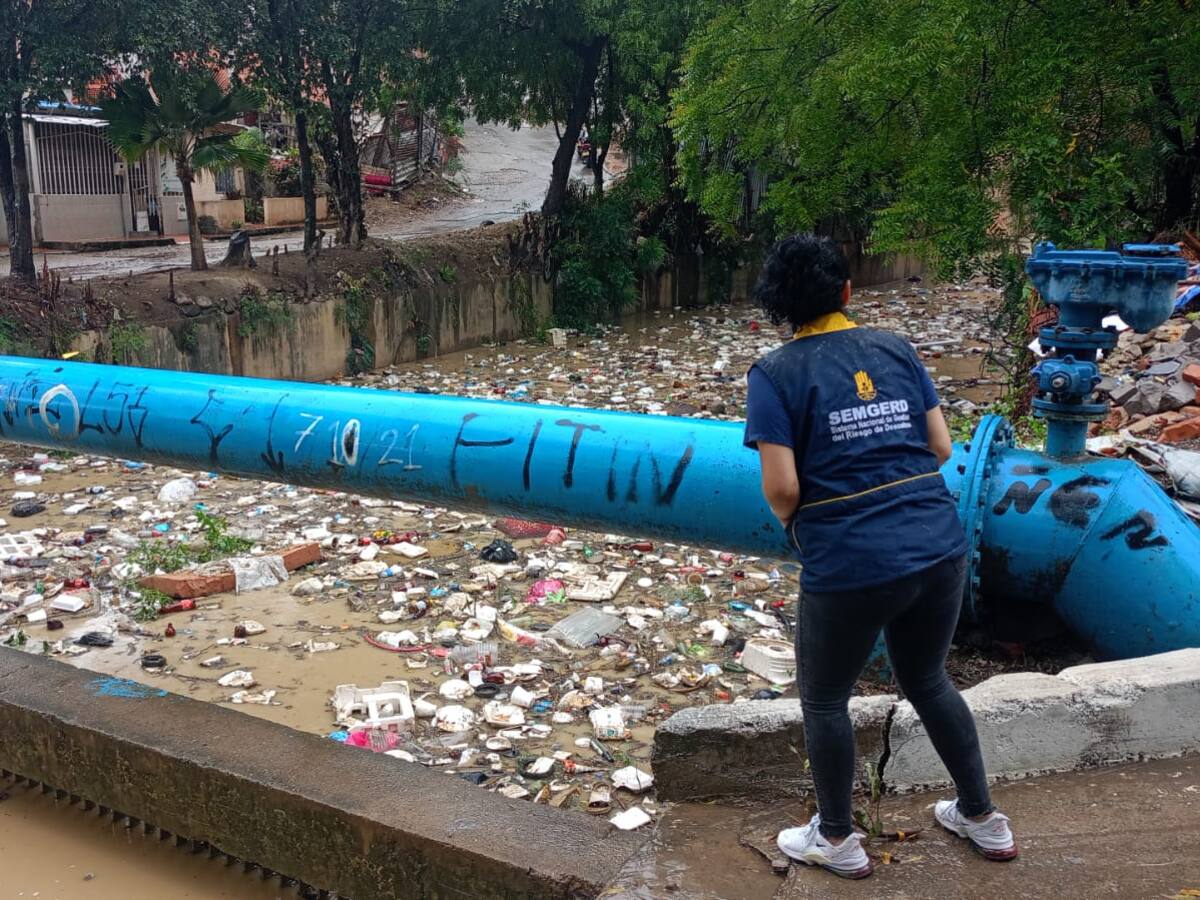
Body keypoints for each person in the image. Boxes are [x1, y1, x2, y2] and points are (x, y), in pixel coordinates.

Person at [743, 234, 1018, 879]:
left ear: (779, 308)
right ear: (847, 293)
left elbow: (782, 488)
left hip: (851, 565)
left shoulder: (773, 375)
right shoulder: (894, 347)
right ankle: (981, 816)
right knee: (927, 679)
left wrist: (803, 523)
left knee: (825, 699)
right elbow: (942, 448)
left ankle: (836, 837)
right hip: (939, 545)